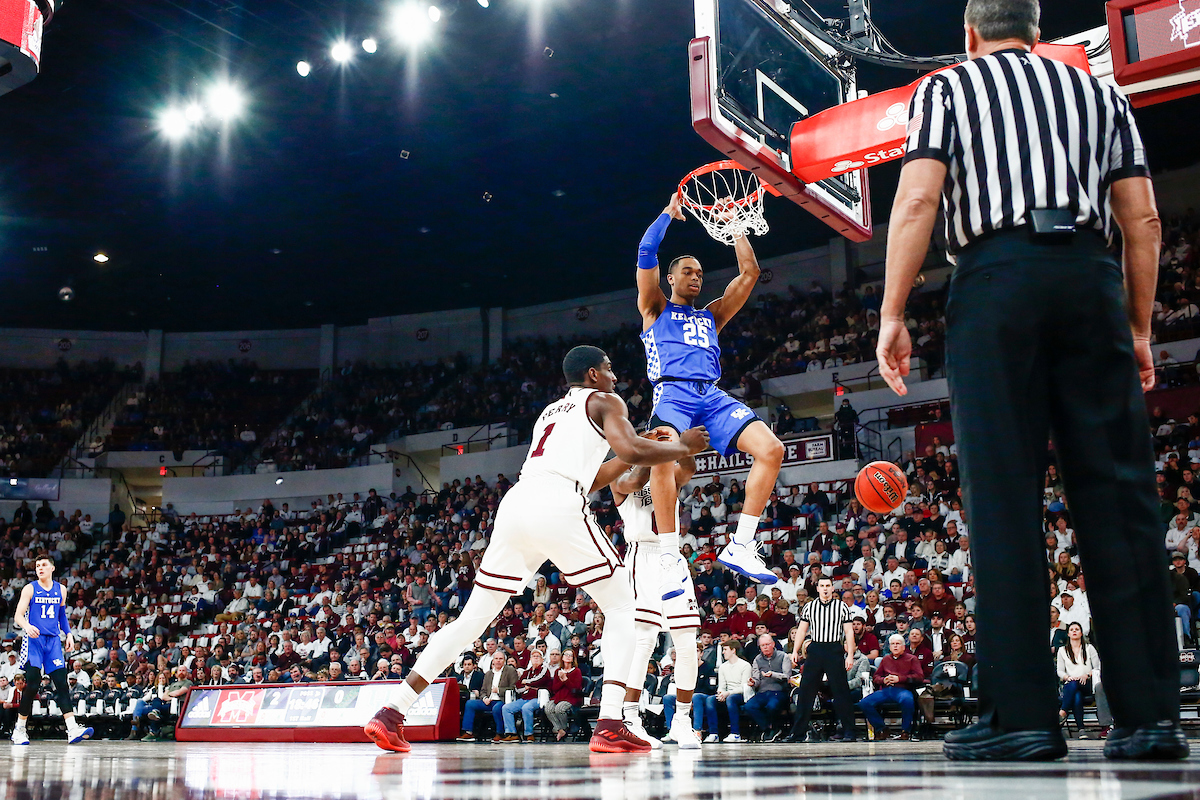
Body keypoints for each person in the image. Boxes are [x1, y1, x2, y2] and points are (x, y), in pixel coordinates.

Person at [877, 0, 1186, 762]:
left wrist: (892, 312)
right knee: (1120, 496)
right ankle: (1150, 718)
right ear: (1038, 34)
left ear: (970, 35)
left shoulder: (948, 90)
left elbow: (918, 198)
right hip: (1088, 277)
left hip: (996, 279)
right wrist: (1139, 328)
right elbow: (1142, 219)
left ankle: (1023, 718)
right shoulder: (1100, 93)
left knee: (1005, 497)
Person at [362, 346, 709, 754]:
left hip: (518, 503)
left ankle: (391, 711)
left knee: (472, 620)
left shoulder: (551, 411)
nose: (616, 377)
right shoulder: (606, 400)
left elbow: (594, 475)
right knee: (623, 607)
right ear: (594, 374)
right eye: (610, 369)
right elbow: (631, 453)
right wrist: (682, 447)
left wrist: (636, 447)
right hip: (557, 503)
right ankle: (612, 722)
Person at [635, 194, 784, 589]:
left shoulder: (712, 314)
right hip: (673, 395)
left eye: (700, 272)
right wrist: (668, 214)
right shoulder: (655, 307)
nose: (696, 277)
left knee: (772, 450)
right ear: (671, 278)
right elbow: (646, 249)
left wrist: (735, 228)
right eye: (687, 271)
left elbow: (749, 274)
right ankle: (669, 554)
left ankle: (742, 544)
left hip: (712, 396)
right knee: (663, 459)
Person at [610, 438, 703, 749]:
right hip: (641, 558)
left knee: (688, 642)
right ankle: (631, 717)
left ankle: (682, 721)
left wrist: (681, 443)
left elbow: (688, 467)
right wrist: (648, 450)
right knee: (644, 640)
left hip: (671, 555)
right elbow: (635, 479)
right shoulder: (624, 477)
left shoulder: (670, 472)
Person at [10, 554, 93, 745]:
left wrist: (69, 634)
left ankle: (72, 729)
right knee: (33, 683)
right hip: (34, 641)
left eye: (44, 565)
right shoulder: (30, 588)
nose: (40, 568)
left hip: (54, 641)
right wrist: (26, 626)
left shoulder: (61, 590)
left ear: (52, 568)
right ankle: (19, 729)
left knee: (62, 684)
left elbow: (61, 615)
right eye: (37, 565)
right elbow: (18, 615)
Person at [786, 576, 857, 742]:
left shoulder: (842, 606)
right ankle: (798, 733)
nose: (825, 588)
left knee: (841, 692)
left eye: (828, 586)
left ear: (833, 588)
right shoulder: (810, 606)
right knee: (805, 691)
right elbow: (802, 630)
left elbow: (849, 632)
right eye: (822, 586)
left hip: (834, 648)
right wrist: (795, 650)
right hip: (816, 648)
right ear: (817, 588)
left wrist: (850, 655)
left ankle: (849, 732)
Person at [860, 634, 926, 740]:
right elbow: (876, 676)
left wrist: (900, 679)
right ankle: (882, 728)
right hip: (886, 690)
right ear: (889, 647)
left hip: (903, 689)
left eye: (898, 644)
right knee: (864, 703)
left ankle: (906, 731)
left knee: (907, 700)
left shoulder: (912, 659)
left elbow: (919, 677)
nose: (895, 646)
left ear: (904, 647)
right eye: (893, 644)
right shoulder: (885, 659)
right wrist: (883, 680)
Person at [457, 652, 517, 743]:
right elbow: (483, 690)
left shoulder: (510, 671)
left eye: (500, 659)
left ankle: (499, 733)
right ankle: (468, 732)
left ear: (504, 660)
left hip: (502, 700)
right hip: (489, 700)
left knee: (497, 708)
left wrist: (499, 690)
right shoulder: (488, 673)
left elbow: (514, 687)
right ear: (493, 660)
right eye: (496, 659)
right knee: (470, 703)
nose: (498, 661)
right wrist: (484, 698)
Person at [1057, 622, 1101, 739]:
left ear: (1081, 633)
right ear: (1068, 634)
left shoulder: (1089, 648)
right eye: (1072, 629)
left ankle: (1063, 711)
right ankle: (1081, 730)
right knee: (1076, 695)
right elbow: (1060, 671)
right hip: (1071, 683)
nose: (1074, 631)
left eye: (1077, 629)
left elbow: (1097, 667)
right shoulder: (1062, 650)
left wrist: (1086, 675)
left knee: (1075, 686)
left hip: (1086, 682)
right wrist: (1067, 677)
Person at [501, 649, 552, 743]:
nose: (536, 658)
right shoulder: (526, 672)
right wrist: (526, 688)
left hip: (538, 698)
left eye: (538, 656)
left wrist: (527, 682)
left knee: (526, 708)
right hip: (524, 697)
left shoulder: (544, 669)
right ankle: (512, 734)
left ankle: (529, 734)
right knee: (506, 708)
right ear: (530, 659)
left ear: (542, 659)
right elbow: (517, 686)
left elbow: (539, 680)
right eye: (533, 656)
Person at [544, 648, 585, 741]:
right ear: (562, 657)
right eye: (566, 654)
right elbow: (554, 688)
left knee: (560, 709)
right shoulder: (557, 671)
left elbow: (575, 688)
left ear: (573, 658)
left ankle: (563, 728)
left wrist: (566, 679)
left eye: (570, 655)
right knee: (548, 708)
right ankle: (560, 729)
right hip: (558, 696)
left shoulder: (576, 671)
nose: (568, 656)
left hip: (571, 697)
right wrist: (561, 680)